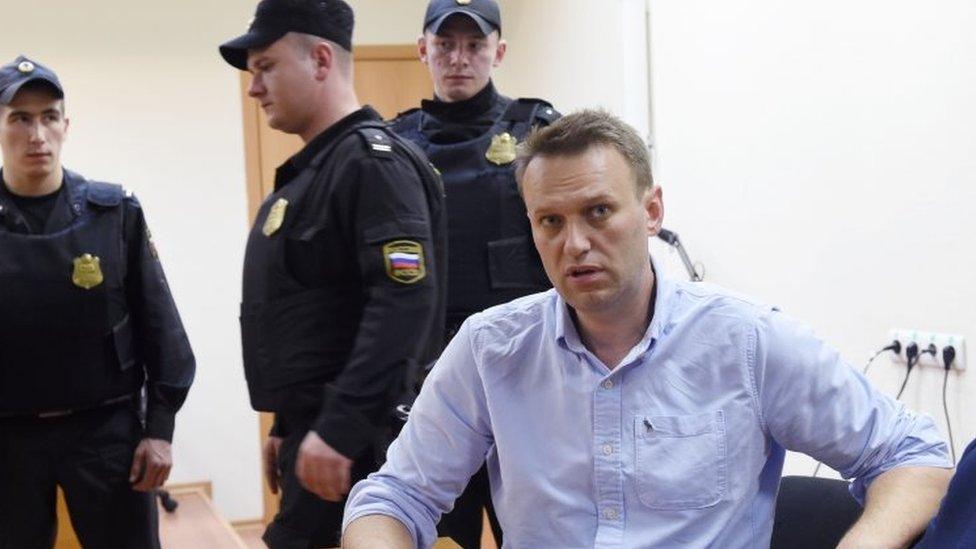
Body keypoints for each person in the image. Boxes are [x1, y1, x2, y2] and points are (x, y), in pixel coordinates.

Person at [342, 110, 953, 548]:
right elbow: (395, 496)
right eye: (549, 221)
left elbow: (914, 456)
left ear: (652, 210)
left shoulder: (746, 343)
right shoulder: (489, 349)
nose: (574, 243)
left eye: (599, 211)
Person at [219, 0, 448, 546]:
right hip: (317, 429)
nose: (255, 88)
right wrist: (285, 423)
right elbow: (315, 315)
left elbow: (404, 302)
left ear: (321, 60)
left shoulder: (372, 164)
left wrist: (339, 430)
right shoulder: (315, 173)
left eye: (266, 67)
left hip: (361, 441)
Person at [0, 55, 195, 548]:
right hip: (7, 443)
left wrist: (160, 429)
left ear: (67, 124)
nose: (36, 134)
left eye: (48, 116)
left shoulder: (113, 213)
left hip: (105, 433)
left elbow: (161, 326)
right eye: (19, 118)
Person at [389, 1, 558, 545]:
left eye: (475, 45)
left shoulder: (537, 133)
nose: (459, 58)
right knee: (442, 532)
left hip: (526, 376)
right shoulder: (394, 145)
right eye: (445, 45)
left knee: (536, 532)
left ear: (498, 53)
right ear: (423, 51)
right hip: (433, 383)